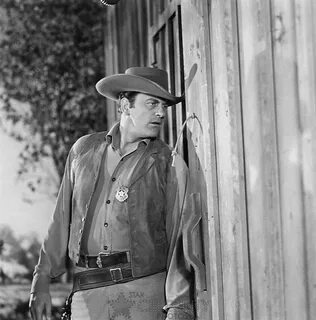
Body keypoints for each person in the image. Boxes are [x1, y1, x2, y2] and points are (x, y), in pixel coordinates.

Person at [29, 67, 195, 320]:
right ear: (125, 105)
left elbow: (180, 242)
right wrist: (41, 277)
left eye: (164, 106)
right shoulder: (83, 150)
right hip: (87, 293)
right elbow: (61, 219)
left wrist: (178, 306)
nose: (161, 113)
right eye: (152, 103)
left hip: (143, 293)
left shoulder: (168, 164)